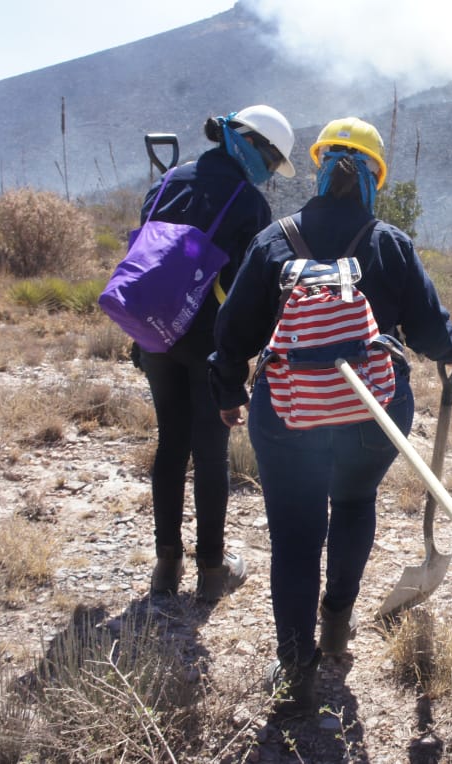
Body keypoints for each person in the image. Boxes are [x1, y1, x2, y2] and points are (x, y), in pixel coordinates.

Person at [208, 116, 452, 712]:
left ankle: (295, 664)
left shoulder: (275, 239)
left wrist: (228, 391)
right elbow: (434, 335)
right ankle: (337, 627)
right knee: (353, 506)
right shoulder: (389, 244)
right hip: (373, 414)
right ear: (375, 176)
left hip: (288, 414)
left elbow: (233, 330)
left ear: (320, 169)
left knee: (295, 538)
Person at [140, 104, 298, 601]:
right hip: (208, 344)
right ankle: (211, 568)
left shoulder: (166, 183)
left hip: (156, 336)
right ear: (249, 143)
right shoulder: (248, 204)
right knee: (210, 453)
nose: (270, 173)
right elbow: (251, 291)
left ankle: (166, 564)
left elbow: (143, 265)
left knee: (170, 445)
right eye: (271, 161)